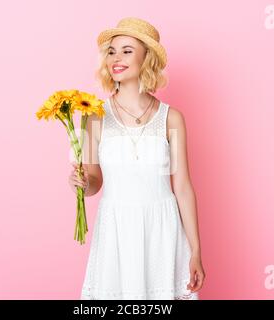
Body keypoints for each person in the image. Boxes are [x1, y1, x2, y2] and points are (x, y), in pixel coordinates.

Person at [68, 17, 205, 300]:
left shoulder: (172, 119)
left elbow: (182, 188)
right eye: (112, 51)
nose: (116, 58)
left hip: (163, 231)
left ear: (147, 59)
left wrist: (195, 251)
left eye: (127, 51)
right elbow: (95, 182)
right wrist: (81, 184)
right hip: (116, 231)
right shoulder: (94, 116)